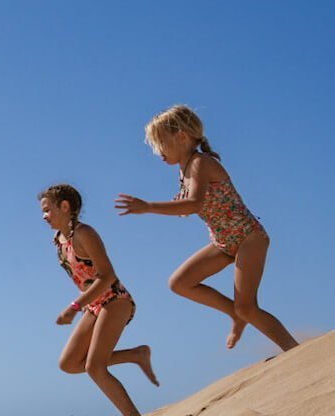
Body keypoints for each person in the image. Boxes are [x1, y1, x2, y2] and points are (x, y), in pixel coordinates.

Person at [116, 105, 298, 351]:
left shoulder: (200, 162)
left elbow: (194, 204)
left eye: (160, 142)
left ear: (181, 137)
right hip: (223, 242)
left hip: (248, 237)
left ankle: (295, 350)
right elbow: (189, 205)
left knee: (247, 306)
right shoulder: (184, 170)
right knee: (179, 283)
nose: (157, 151)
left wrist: (148, 206)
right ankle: (234, 315)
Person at [40, 184, 158, 416]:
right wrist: (84, 305)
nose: (44, 216)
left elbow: (108, 276)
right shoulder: (59, 240)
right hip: (94, 306)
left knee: (95, 367)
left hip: (115, 300)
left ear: (65, 207)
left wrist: (74, 307)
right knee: (70, 363)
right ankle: (136, 354)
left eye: (47, 210)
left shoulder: (85, 234)